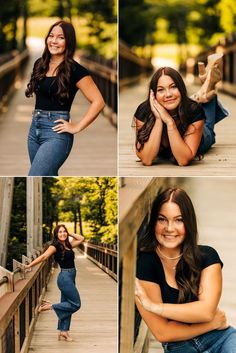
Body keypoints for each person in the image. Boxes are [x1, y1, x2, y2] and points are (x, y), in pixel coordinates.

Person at [135, 187, 236, 353]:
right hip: (180, 347)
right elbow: (162, 333)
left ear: (188, 223)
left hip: (221, 339)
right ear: (153, 222)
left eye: (178, 220)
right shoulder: (146, 263)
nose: (169, 228)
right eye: (162, 219)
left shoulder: (207, 256)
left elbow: (206, 311)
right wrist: (212, 323)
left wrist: (155, 307)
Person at [25, 20, 105, 176]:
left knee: (35, 175)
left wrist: (77, 127)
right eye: (51, 36)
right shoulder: (39, 64)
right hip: (34, 130)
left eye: (60, 37)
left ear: (68, 42)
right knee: (46, 175)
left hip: (56, 132)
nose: (54, 41)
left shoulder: (75, 70)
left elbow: (99, 101)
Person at [134, 53, 228, 166]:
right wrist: (159, 119)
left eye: (173, 87)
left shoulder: (193, 110)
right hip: (183, 107)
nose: (168, 94)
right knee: (194, 101)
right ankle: (204, 88)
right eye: (160, 90)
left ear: (181, 88)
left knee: (208, 128)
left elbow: (183, 160)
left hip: (200, 136)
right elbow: (147, 159)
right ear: (153, 94)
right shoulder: (144, 111)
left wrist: (169, 122)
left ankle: (210, 84)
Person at [25, 224, 84, 342]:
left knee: (67, 304)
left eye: (64, 232)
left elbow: (81, 238)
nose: (62, 234)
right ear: (56, 235)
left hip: (71, 276)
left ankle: (64, 331)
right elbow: (43, 257)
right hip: (65, 278)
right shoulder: (55, 246)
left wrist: (69, 233)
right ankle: (49, 306)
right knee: (76, 304)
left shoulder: (68, 245)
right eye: (60, 232)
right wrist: (29, 266)